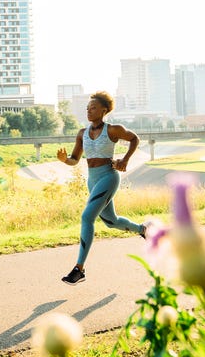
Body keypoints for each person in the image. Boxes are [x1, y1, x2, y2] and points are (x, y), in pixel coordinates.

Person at [56, 91, 147, 285]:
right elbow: (74, 159)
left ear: (104, 110)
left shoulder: (113, 130)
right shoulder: (82, 133)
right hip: (93, 180)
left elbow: (134, 139)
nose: (89, 111)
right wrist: (65, 160)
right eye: (87, 108)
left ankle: (79, 269)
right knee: (111, 222)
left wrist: (125, 159)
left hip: (108, 177)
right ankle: (142, 229)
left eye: (93, 108)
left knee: (87, 217)